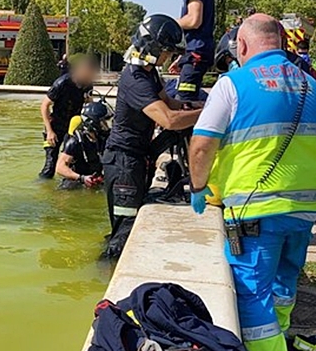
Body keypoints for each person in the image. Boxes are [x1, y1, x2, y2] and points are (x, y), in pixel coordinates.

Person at [188, 14, 316, 351]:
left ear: (241, 45)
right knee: (286, 280)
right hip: (304, 208)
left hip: (254, 211)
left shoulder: (232, 83)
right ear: (282, 43)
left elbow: (202, 146)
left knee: (252, 294)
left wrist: (198, 187)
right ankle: (281, 337)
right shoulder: (312, 87)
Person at [103, 14, 203, 258]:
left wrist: (198, 105)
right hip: (124, 163)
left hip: (136, 159)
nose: (170, 58)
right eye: (167, 52)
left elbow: (170, 102)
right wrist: (207, 113)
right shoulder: (135, 78)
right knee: (123, 234)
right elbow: (167, 119)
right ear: (153, 47)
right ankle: (104, 278)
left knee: (128, 225)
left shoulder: (149, 73)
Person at [157, 0, 215, 101]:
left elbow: (194, 20)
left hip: (196, 53)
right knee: (188, 97)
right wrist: (183, 58)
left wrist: (167, 24)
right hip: (194, 54)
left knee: (184, 99)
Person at [39, 56, 99, 179]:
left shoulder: (87, 86)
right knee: (50, 166)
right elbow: (44, 105)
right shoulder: (62, 83)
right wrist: (49, 131)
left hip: (72, 128)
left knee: (73, 161)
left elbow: (88, 102)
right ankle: (44, 188)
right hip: (55, 126)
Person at [55, 101, 112, 190]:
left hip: (98, 178)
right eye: (104, 122)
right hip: (77, 180)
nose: (107, 126)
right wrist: (82, 178)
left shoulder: (104, 138)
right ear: (93, 123)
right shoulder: (75, 141)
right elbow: (60, 168)